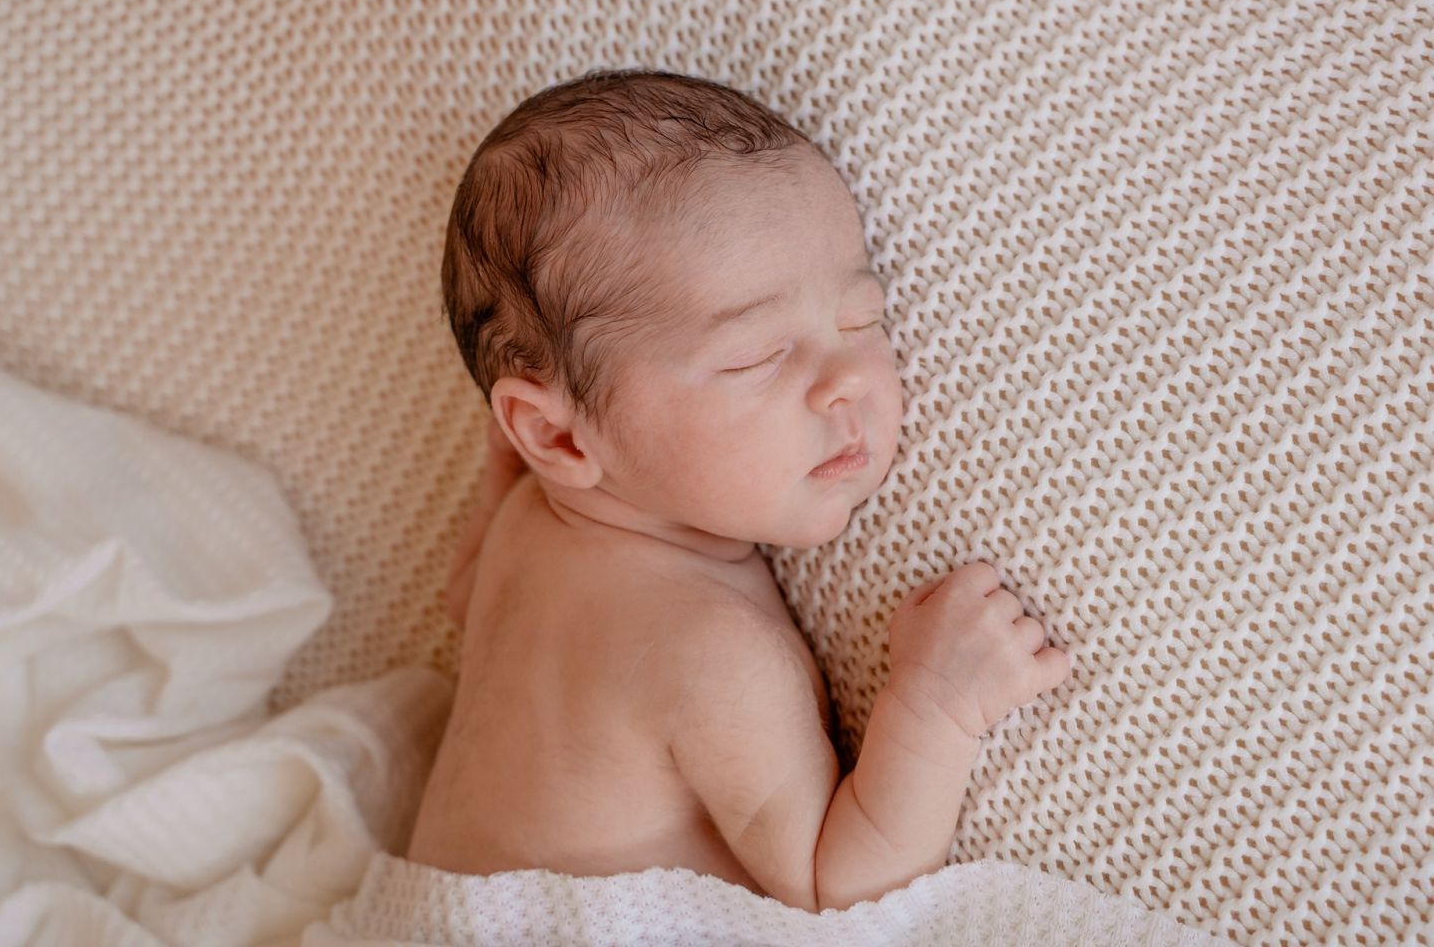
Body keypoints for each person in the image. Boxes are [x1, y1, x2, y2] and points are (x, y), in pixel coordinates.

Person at [407, 67, 1071, 913]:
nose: (844, 384)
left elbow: (467, 602)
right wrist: (936, 706)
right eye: (757, 357)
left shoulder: (523, 523)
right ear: (558, 435)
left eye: (861, 320)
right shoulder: (711, 653)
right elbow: (839, 887)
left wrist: (508, 465)